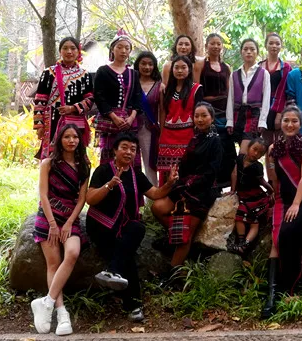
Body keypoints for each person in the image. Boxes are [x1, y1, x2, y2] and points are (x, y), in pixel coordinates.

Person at [86, 132, 178, 322]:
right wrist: (109, 185)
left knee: (138, 229)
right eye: (124, 147)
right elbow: (90, 199)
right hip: (100, 225)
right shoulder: (104, 170)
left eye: (133, 149)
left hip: (122, 227)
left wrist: (169, 183)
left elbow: (155, 193)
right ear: (115, 150)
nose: (129, 152)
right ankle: (134, 306)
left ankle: (112, 271)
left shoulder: (136, 175)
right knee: (126, 257)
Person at [262, 106, 302, 319]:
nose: (289, 124)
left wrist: (296, 204)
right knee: (276, 240)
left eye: (294, 121)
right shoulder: (273, 148)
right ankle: (272, 294)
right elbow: (273, 178)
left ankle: (288, 287)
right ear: (281, 123)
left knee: (287, 234)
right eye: (286, 120)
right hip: (283, 198)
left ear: (300, 124)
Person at [30, 125, 90, 336]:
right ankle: (61, 312)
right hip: (48, 217)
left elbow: (82, 199)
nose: (71, 140)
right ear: (60, 140)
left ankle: (46, 303)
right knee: (53, 263)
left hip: (69, 217)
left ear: (80, 140)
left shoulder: (84, 165)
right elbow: (43, 195)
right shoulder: (48, 164)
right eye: (67, 136)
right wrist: (53, 224)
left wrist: (69, 222)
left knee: (72, 252)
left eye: (75, 137)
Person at [152, 102, 222, 275]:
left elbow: (211, 173)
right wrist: (178, 178)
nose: (200, 119)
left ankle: (172, 274)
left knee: (185, 236)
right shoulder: (196, 138)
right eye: (196, 116)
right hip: (185, 186)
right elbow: (185, 165)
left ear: (212, 118)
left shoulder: (215, 141)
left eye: (204, 115)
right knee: (157, 208)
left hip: (202, 190)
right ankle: (175, 237)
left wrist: (188, 186)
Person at [33, 37, 93, 160]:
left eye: (73, 48)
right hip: (52, 122)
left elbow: (90, 100)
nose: (69, 51)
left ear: (78, 52)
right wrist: (39, 125)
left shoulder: (85, 75)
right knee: (51, 158)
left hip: (75, 122)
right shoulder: (49, 73)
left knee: (75, 157)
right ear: (60, 51)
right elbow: (40, 100)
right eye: (65, 48)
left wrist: (73, 108)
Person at [93, 30, 142, 164]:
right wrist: (114, 117)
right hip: (109, 122)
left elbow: (138, 97)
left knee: (129, 156)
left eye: (127, 48)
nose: (123, 51)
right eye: (119, 47)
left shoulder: (133, 74)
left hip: (128, 123)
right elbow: (99, 96)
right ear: (112, 49)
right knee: (109, 158)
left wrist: (131, 118)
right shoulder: (103, 71)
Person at [157, 56, 204, 187]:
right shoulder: (166, 89)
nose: (179, 71)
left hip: (188, 136)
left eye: (183, 67)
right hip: (167, 137)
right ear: (172, 70)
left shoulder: (196, 89)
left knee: (186, 171)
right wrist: (161, 134)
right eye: (176, 67)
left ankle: (184, 198)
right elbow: (163, 112)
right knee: (167, 173)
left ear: (189, 70)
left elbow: (199, 113)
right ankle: (166, 198)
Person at [198, 33, 236, 187]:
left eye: (218, 44)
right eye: (212, 43)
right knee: (211, 146)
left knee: (227, 148)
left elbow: (230, 92)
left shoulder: (226, 67)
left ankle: (227, 184)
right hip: (207, 113)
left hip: (224, 113)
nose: (215, 46)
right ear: (206, 46)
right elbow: (196, 88)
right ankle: (211, 185)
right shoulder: (200, 65)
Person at [228, 138, 272, 254]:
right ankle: (241, 242)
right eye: (254, 149)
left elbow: (262, 181)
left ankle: (245, 244)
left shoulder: (258, 166)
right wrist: (233, 190)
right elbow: (234, 174)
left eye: (260, 153)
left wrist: (271, 191)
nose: (256, 153)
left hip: (255, 197)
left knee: (254, 221)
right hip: (243, 195)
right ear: (248, 147)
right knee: (240, 216)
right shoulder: (239, 159)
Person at [227, 38, 271, 156]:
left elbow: (266, 99)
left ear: (257, 52)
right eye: (245, 49)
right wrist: (229, 120)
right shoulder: (234, 74)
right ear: (241, 52)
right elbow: (230, 99)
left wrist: (262, 121)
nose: (249, 52)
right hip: (238, 114)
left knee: (244, 152)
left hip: (254, 114)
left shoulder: (263, 73)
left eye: (252, 49)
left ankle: (241, 166)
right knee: (239, 149)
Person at [134, 51, 162, 188]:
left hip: (150, 130)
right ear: (137, 65)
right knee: (131, 162)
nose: (147, 67)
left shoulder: (159, 86)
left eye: (150, 64)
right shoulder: (131, 83)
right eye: (143, 64)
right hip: (131, 128)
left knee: (150, 164)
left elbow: (163, 110)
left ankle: (152, 196)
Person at [260, 32, 292, 145]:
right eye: (271, 43)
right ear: (266, 45)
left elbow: (284, 91)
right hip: (262, 107)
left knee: (279, 141)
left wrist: (279, 113)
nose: (274, 46)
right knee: (264, 142)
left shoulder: (286, 68)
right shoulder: (259, 66)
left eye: (277, 44)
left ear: (281, 46)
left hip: (279, 106)